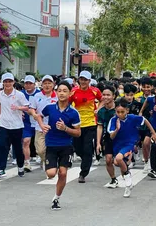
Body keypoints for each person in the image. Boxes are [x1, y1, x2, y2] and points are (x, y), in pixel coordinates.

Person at [35, 81, 81, 210]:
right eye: (59, 90)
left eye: (64, 91)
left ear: (70, 93)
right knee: (50, 174)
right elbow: (38, 115)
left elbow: (78, 132)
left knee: (63, 173)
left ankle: (56, 198)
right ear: (56, 92)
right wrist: (42, 125)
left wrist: (65, 128)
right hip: (51, 145)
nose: (61, 93)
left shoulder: (73, 113)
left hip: (66, 146)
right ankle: (49, 165)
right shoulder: (50, 108)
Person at [108, 97, 156, 198]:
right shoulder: (113, 120)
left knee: (119, 158)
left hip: (129, 143)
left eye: (122, 111)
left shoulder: (133, 118)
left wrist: (153, 133)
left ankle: (127, 177)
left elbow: (145, 121)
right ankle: (128, 183)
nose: (120, 114)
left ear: (127, 110)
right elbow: (111, 136)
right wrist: (117, 129)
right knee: (116, 162)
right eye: (118, 112)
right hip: (118, 145)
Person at [0, 72, 30, 178]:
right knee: (1, 146)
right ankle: (1, 169)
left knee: (17, 148)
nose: (8, 84)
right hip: (3, 124)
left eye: (10, 81)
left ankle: (20, 166)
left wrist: (18, 108)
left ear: (13, 82)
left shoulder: (19, 95)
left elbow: (27, 107)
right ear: (3, 83)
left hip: (16, 125)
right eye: (5, 82)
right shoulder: (0, 94)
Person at [69, 70, 102, 183]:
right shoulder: (73, 92)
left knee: (87, 149)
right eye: (81, 79)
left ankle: (83, 173)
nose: (83, 82)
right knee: (78, 148)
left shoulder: (94, 91)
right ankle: (86, 159)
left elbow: (102, 99)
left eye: (85, 80)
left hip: (91, 123)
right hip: (77, 124)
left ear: (89, 81)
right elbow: (67, 103)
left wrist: (98, 109)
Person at [28, 75, 57, 171]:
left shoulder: (57, 96)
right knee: (40, 150)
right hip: (40, 126)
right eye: (45, 83)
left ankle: (51, 163)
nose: (47, 85)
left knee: (52, 147)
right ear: (42, 85)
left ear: (53, 84)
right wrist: (34, 114)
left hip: (53, 127)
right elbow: (32, 108)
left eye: (49, 83)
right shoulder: (37, 96)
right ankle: (46, 160)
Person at [96, 85, 118, 188]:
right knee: (108, 159)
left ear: (113, 96)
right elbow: (100, 127)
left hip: (120, 137)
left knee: (119, 161)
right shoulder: (101, 112)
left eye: (108, 95)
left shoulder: (120, 109)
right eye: (104, 95)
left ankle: (126, 175)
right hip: (107, 137)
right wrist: (98, 143)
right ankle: (113, 179)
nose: (105, 97)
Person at [22, 75, 40, 172]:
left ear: (34, 84)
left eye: (30, 83)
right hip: (26, 123)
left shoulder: (39, 94)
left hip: (38, 121)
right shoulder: (20, 94)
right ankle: (27, 162)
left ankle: (41, 157)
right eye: (26, 83)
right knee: (26, 141)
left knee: (39, 143)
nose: (28, 85)